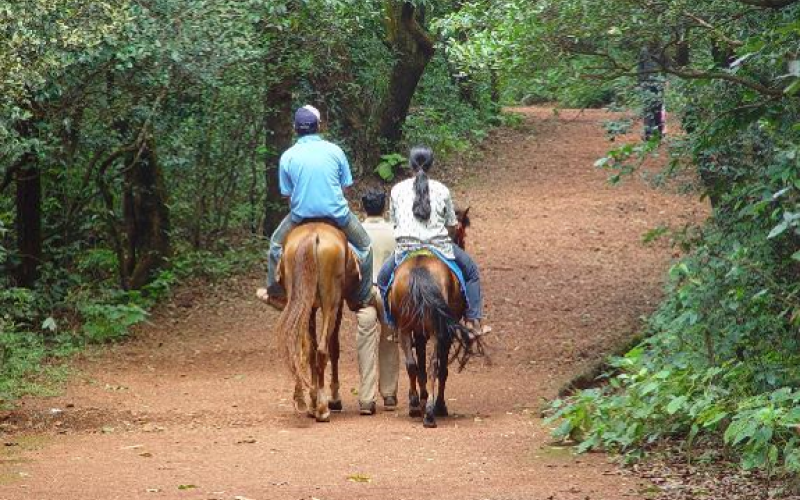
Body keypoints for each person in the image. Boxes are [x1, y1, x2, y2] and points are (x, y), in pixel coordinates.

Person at [256, 105, 373, 311]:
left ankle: (277, 293)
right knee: (365, 246)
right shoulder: (335, 150)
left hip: (300, 217)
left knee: (275, 245)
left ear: (295, 129)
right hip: (337, 215)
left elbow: (287, 194)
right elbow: (345, 185)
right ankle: (361, 296)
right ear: (318, 126)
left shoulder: (288, 156)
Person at [377, 146, 488, 337]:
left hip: (405, 249)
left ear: (410, 165)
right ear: (431, 165)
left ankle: (392, 323)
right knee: (471, 272)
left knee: (382, 278)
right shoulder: (442, 189)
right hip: (439, 247)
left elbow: (394, 224)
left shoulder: (396, 190)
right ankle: (473, 320)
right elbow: (452, 224)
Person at [357, 190, 400, 413]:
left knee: (365, 342)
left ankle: (366, 397)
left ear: (363, 207)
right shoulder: (394, 230)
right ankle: (390, 393)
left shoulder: (357, 232)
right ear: (384, 207)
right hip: (388, 293)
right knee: (390, 338)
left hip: (364, 294)